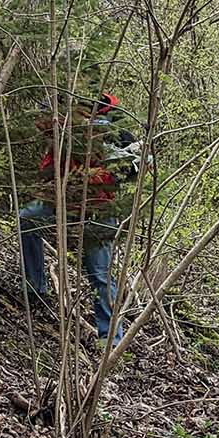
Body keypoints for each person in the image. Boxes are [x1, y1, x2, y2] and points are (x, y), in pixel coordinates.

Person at [18, 63, 141, 344]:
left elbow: (127, 171)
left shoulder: (117, 133)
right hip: (60, 200)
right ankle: (35, 288)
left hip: (98, 206)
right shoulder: (64, 127)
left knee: (99, 274)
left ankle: (111, 340)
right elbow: (48, 167)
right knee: (27, 219)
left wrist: (88, 176)